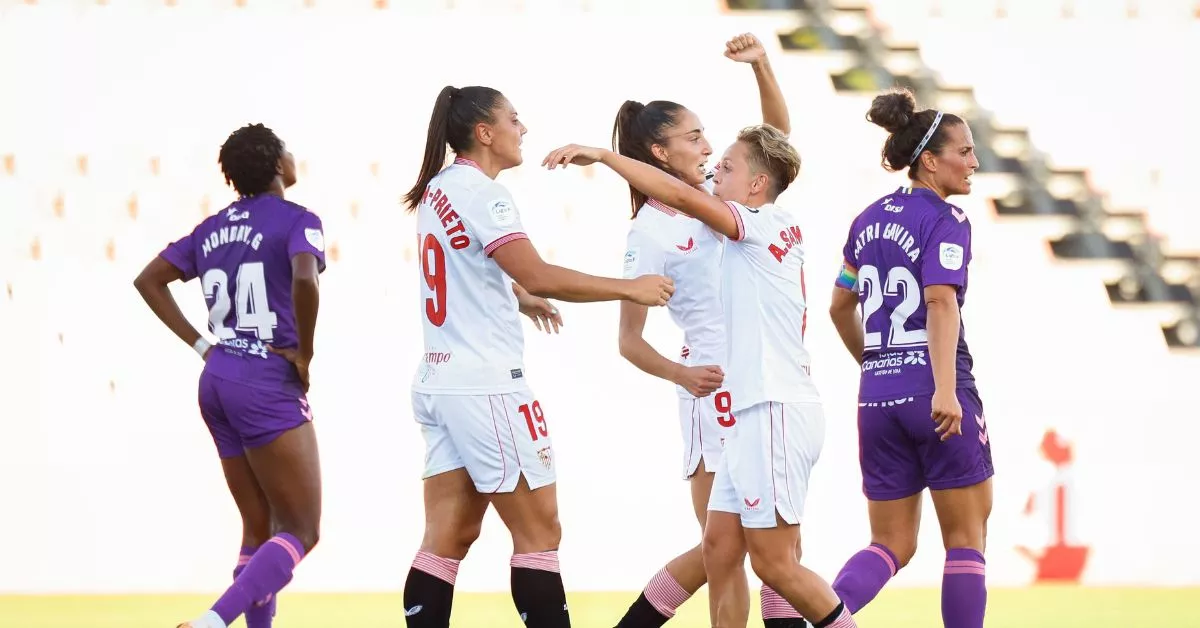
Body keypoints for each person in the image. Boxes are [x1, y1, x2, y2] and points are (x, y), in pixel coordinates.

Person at [543, 125, 856, 628]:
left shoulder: (756, 223)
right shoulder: (759, 222)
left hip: (772, 407)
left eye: (727, 167)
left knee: (775, 561)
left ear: (756, 186)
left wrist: (603, 155)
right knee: (718, 545)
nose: (714, 170)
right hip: (751, 410)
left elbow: (679, 194)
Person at [401, 85, 676, 628]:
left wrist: (514, 297)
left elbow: (464, 273)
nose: (521, 129)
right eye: (513, 119)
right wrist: (629, 288)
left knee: (446, 539)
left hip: (440, 380)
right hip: (487, 386)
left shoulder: (438, 189)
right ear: (485, 133)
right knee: (539, 535)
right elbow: (539, 272)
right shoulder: (485, 194)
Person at [609, 33, 805, 628]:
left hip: (768, 382)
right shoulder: (648, 232)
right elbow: (629, 339)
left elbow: (775, 148)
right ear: (658, 153)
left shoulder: (724, 195)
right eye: (693, 137)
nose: (709, 145)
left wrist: (763, 67)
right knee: (726, 552)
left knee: (780, 549)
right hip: (713, 387)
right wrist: (679, 372)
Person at [133, 123, 325, 628]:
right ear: (275, 162)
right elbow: (305, 278)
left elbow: (148, 279)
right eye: (287, 146)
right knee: (303, 530)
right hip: (266, 377)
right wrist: (304, 353)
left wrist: (202, 345)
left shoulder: (212, 228)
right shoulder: (298, 219)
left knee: (257, 527)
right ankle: (212, 623)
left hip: (217, 376)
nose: (293, 153)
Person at [825, 89, 990, 628]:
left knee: (890, 542)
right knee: (965, 540)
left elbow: (838, 305)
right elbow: (941, 301)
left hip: (878, 393)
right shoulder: (947, 220)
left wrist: (875, 365)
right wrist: (943, 389)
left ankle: (817, 616)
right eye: (963, 151)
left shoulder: (865, 221)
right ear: (929, 160)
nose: (973, 162)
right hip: (936, 388)